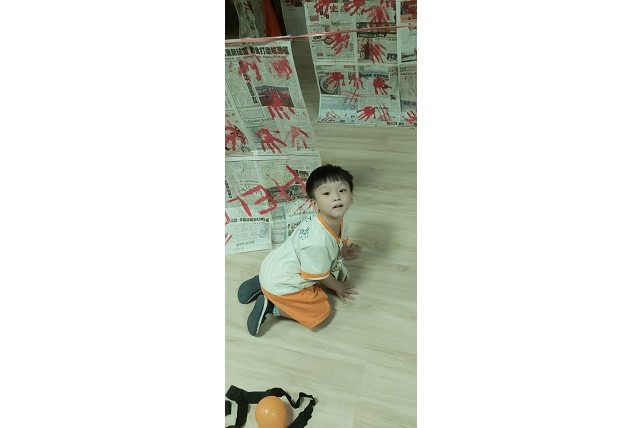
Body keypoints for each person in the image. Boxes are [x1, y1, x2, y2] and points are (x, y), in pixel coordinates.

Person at [237, 164, 361, 336]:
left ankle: (263, 283)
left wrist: (345, 252)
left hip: (275, 265)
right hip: (282, 282)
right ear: (315, 204)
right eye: (326, 193)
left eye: (342, 190)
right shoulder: (316, 243)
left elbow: (341, 239)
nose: (336, 197)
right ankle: (272, 305)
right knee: (321, 310)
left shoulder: (339, 219)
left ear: (351, 197)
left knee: (332, 274)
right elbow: (321, 276)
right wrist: (339, 287)